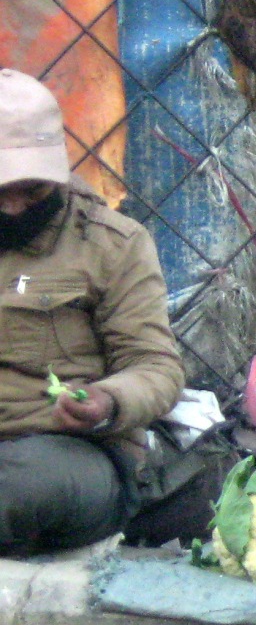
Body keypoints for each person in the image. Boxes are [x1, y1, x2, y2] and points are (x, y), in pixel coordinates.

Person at [0, 70, 184, 556]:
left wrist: (107, 401)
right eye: (0, 191)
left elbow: (157, 368)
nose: (15, 207)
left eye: (33, 189)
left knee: (18, 488)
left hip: (65, 452)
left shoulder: (112, 244)